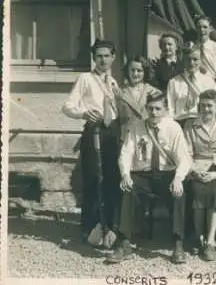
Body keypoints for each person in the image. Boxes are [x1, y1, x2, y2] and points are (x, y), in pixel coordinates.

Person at [106, 92, 192, 264]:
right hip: (142, 174)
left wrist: (178, 178)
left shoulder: (173, 128)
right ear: (145, 109)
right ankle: (124, 243)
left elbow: (184, 157)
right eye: (150, 108)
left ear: (165, 110)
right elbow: (126, 153)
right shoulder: (137, 126)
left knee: (179, 193)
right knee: (126, 188)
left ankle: (178, 243)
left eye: (158, 109)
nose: (153, 112)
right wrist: (125, 175)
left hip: (166, 174)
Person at [62, 40, 121, 244]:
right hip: (93, 132)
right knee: (93, 178)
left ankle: (109, 226)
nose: (103, 60)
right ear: (94, 58)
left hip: (111, 133)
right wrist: (84, 113)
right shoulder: (85, 79)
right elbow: (68, 106)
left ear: (113, 57)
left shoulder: (113, 82)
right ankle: (89, 227)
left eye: (107, 55)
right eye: (99, 56)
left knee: (112, 178)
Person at [183, 90, 216, 261]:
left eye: (209, 105)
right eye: (202, 105)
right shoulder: (190, 125)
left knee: (215, 192)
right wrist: (194, 171)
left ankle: (210, 241)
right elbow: (187, 152)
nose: (206, 109)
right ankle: (199, 238)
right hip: (196, 168)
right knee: (198, 191)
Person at [166, 42, 216, 128]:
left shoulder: (209, 82)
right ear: (183, 60)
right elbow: (170, 109)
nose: (191, 63)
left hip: (203, 124)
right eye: (188, 59)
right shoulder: (173, 82)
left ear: (201, 60)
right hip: (181, 124)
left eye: (195, 59)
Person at [116, 55, 162, 141]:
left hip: (148, 136)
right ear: (127, 71)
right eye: (132, 70)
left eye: (139, 70)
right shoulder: (120, 92)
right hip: (126, 137)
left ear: (145, 72)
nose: (135, 73)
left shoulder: (154, 92)